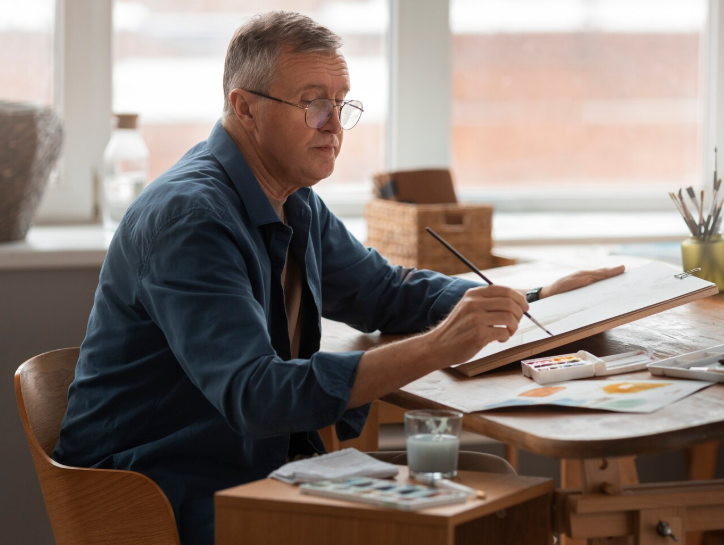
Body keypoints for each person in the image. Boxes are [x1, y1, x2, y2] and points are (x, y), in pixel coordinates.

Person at [53, 11, 623, 545]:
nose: (334, 125)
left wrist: (528, 298)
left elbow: (385, 293)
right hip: (162, 491)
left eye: (341, 103)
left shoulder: (292, 198)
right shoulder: (192, 220)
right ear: (244, 107)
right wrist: (439, 347)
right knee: (487, 504)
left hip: (253, 466)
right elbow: (256, 396)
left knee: (494, 485)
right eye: (312, 104)